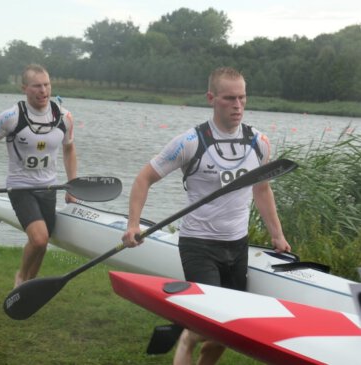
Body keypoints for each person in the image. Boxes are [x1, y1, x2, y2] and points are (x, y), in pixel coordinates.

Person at [122, 67, 291, 365]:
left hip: (237, 245)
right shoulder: (190, 142)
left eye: (242, 98)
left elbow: (262, 190)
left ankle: (195, 337)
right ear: (211, 98)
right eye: (229, 98)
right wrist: (133, 224)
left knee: (226, 331)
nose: (237, 105)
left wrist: (277, 234)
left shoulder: (258, 142)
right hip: (199, 245)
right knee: (210, 323)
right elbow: (143, 179)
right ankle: (188, 333)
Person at [0, 64, 77, 288]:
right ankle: (20, 278)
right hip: (20, 188)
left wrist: (72, 185)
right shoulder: (11, 117)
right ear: (25, 88)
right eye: (37, 86)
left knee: (42, 242)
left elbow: (69, 149)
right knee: (39, 238)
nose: (43, 90)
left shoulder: (64, 116)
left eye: (47, 85)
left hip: (49, 187)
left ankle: (29, 287)